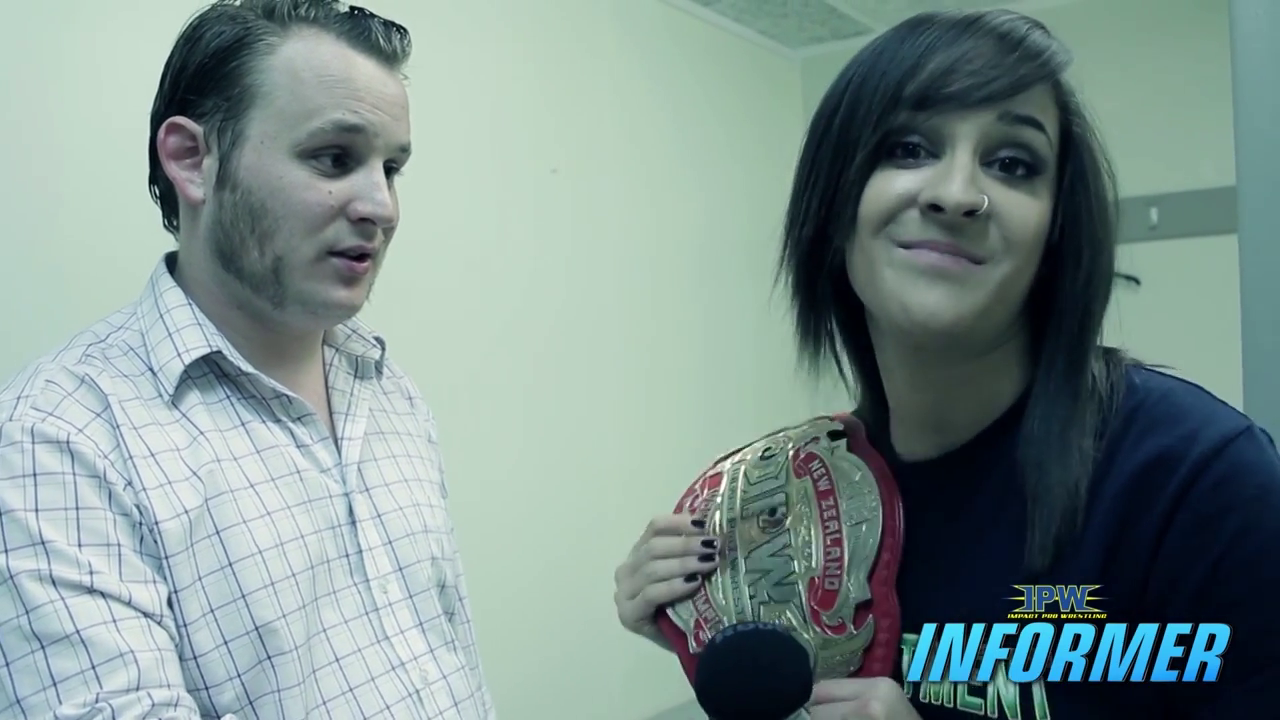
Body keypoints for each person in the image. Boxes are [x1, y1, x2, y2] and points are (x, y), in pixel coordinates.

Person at [613, 9, 1280, 720]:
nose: (958, 194)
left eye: (1013, 163)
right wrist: (702, 629)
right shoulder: (811, 492)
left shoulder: (1198, 480)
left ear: (1055, 231)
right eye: (908, 148)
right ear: (834, 205)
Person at [0, 1, 494, 718]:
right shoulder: (56, 440)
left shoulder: (389, 391)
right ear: (191, 159)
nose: (382, 206)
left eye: (391, 168)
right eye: (335, 158)